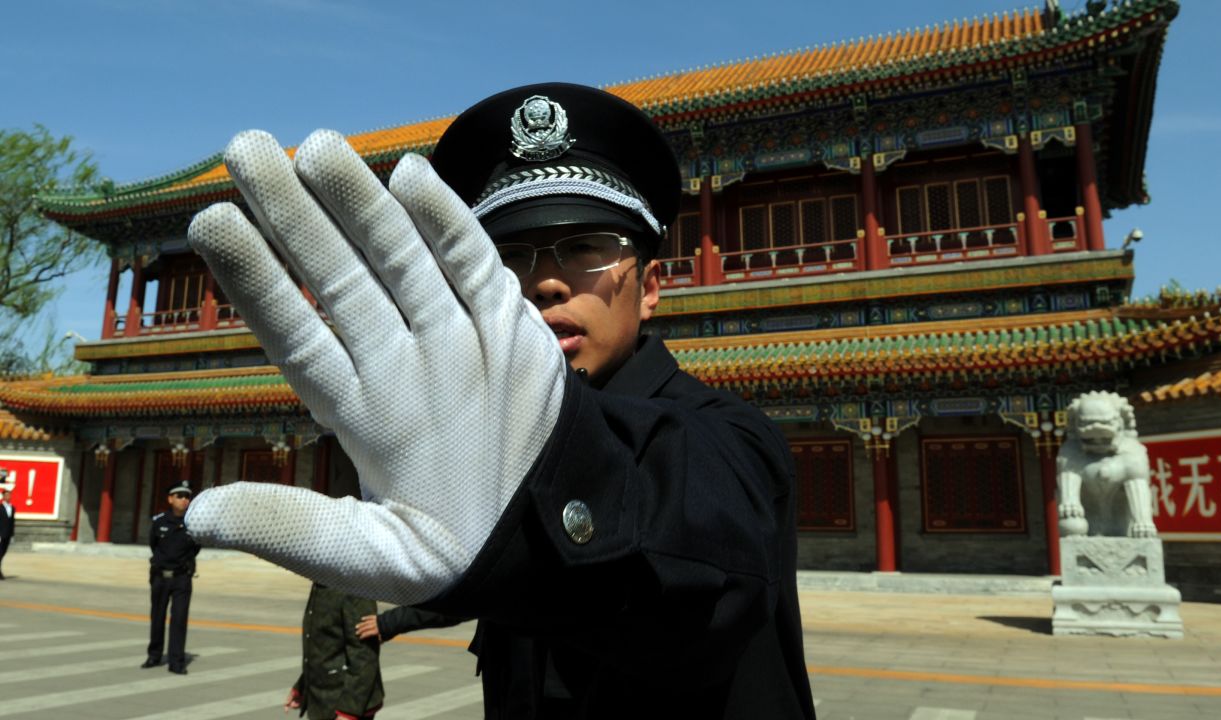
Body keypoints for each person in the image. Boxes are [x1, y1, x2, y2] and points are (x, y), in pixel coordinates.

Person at [185, 82, 815, 717]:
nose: (543, 282)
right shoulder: (476, 443)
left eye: (586, 248)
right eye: (506, 257)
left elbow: (705, 548)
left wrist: (552, 474)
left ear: (650, 286)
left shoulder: (731, 435)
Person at [286, 582, 384, 720]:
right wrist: (303, 685)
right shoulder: (322, 583)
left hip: (346, 702)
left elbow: (364, 654)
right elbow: (324, 646)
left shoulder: (353, 586)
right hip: (324, 699)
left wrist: (349, 712)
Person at [143, 479, 200, 675]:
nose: (184, 500)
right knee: (157, 616)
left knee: (179, 619)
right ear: (170, 499)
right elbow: (153, 545)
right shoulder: (159, 522)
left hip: (181, 578)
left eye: (187, 497)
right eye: (179, 496)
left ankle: (176, 661)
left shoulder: (193, 524)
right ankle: (154, 655)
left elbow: (195, 549)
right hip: (160, 576)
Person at [0, 484, 14, 580]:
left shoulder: (12, 508)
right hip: (0, 534)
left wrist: (12, 534)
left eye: (10, 495)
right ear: (3, 497)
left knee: (3, 552)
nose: (9, 497)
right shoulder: (0, 508)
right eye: (7, 495)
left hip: (8, 534)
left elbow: (12, 522)